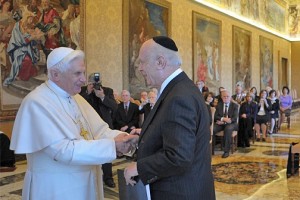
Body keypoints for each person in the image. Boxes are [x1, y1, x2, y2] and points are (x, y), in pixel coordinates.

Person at [9, 47, 138, 200]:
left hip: (86, 184)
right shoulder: (36, 102)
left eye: (83, 73)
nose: (84, 79)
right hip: (57, 189)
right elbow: (63, 150)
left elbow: (100, 131)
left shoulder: (76, 98)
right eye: (77, 73)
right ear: (56, 74)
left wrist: (124, 137)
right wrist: (113, 146)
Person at [124, 36, 215, 199]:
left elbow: (178, 156)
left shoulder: (179, 96)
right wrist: (143, 138)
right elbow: (173, 134)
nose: (140, 68)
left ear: (160, 62)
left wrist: (139, 168)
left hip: (180, 192)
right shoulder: (179, 89)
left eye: (142, 62)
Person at [79, 73, 118, 188]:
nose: (96, 84)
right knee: (89, 151)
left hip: (104, 126)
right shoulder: (83, 91)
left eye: (97, 82)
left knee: (106, 150)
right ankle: (89, 177)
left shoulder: (107, 91)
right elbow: (78, 104)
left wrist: (102, 97)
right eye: (93, 82)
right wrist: (88, 93)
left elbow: (115, 107)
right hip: (88, 126)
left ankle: (108, 177)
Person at [213, 90, 239, 158]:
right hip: (221, 123)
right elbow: (216, 117)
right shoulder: (219, 105)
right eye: (224, 96)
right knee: (212, 129)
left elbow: (234, 118)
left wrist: (224, 121)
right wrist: (223, 119)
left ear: (230, 97)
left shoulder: (235, 106)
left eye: (227, 96)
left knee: (228, 129)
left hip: (232, 124)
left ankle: (226, 151)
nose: (226, 98)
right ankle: (211, 150)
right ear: (221, 97)